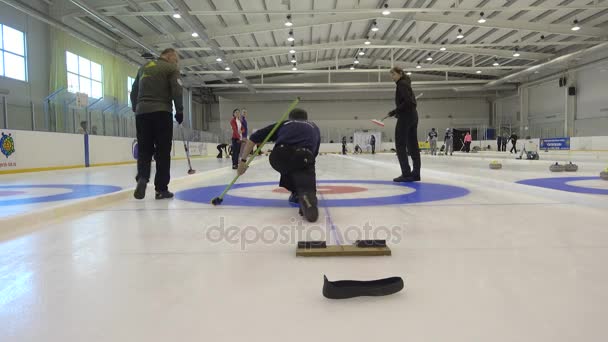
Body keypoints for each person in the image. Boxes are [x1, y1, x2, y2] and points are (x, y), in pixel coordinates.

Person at [237, 108, 321, 222]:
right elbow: (313, 154)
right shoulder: (314, 127)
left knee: (288, 165)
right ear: (306, 119)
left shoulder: (284, 123)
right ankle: (306, 197)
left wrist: (242, 161)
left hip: (280, 156)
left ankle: (296, 192)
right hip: (304, 155)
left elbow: (253, 138)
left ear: (290, 118)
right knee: (303, 170)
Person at [131, 48, 183, 200]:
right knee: (162, 151)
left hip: (142, 113)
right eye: (176, 59)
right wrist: (179, 111)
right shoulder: (171, 68)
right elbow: (177, 90)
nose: (177, 62)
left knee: (144, 149)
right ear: (169, 56)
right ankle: (161, 189)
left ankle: (142, 177)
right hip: (161, 112)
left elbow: (134, 91)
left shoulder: (143, 67)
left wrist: (136, 107)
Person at [388, 66, 420, 182]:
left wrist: (395, 111)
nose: (392, 77)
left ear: (400, 73)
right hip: (413, 116)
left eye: (394, 75)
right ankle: (416, 173)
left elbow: (408, 102)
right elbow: (410, 103)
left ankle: (406, 173)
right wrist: (397, 112)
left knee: (400, 144)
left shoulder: (401, 84)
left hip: (406, 117)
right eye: (391, 75)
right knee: (413, 145)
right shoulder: (406, 83)